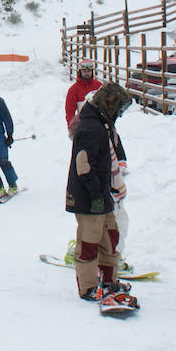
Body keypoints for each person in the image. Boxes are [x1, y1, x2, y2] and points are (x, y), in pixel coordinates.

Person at [66, 81, 137, 304]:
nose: (119, 114)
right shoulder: (91, 128)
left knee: (110, 238)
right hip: (89, 198)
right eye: (118, 108)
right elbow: (83, 165)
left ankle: (108, 280)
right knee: (89, 243)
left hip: (102, 195)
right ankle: (87, 288)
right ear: (109, 104)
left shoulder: (100, 124)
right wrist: (96, 195)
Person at [64, 58, 102, 135]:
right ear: (80, 72)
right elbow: (70, 111)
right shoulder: (74, 89)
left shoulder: (99, 86)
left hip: (99, 124)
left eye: (89, 71)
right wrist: (71, 127)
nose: (87, 73)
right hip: (83, 126)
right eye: (84, 71)